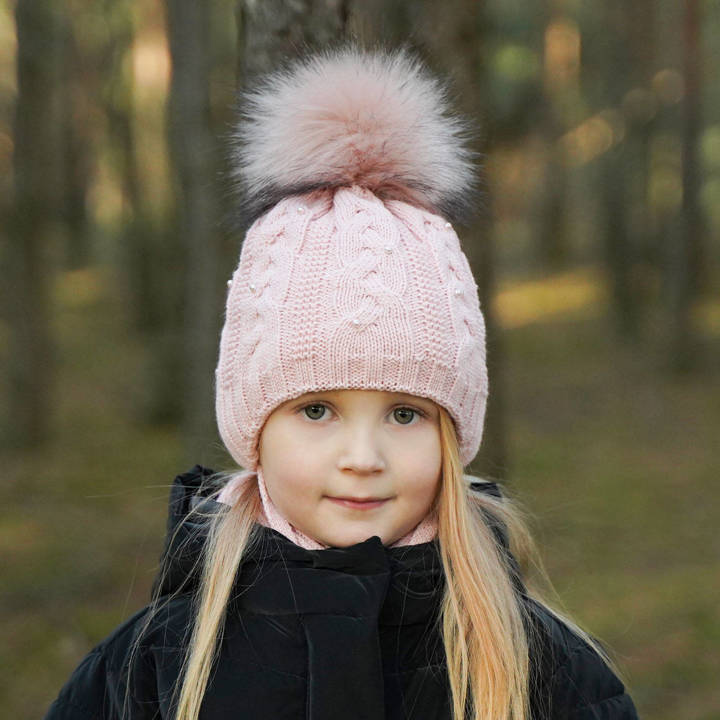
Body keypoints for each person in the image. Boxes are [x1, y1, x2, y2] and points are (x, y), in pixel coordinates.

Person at [43, 44, 639, 720]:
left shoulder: (544, 669)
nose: (363, 457)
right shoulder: (152, 667)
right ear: (254, 430)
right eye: (318, 409)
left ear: (454, 433)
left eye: (407, 414)